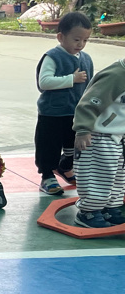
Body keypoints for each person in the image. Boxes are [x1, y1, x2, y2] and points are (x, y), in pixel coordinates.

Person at [34, 11, 94, 195]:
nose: (81, 44)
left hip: (75, 113)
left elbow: (90, 85)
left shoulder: (86, 59)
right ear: (61, 37)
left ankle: (65, 166)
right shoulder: (53, 56)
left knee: (74, 146)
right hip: (52, 113)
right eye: (76, 39)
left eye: (85, 40)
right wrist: (71, 79)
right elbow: (44, 82)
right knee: (49, 146)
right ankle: (47, 177)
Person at [72, 57, 125, 228]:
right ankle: (88, 211)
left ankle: (111, 207)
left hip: (119, 136)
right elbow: (89, 102)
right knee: (97, 176)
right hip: (99, 135)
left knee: (118, 177)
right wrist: (83, 129)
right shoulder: (116, 75)